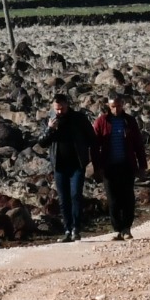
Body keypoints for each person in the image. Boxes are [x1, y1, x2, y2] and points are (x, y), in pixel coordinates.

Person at [91, 95, 147, 241]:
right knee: (113, 199)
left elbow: (138, 145)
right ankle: (117, 229)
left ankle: (126, 228)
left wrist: (142, 166)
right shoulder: (101, 122)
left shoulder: (129, 121)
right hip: (109, 167)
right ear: (108, 106)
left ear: (123, 105)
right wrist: (97, 167)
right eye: (113, 106)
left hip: (127, 165)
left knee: (128, 198)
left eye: (118, 106)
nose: (116, 109)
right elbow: (95, 146)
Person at [40, 93, 91, 241]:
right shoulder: (49, 120)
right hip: (59, 166)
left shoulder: (79, 119)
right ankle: (67, 230)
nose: (59, 112)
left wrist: (86, 154)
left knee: (75, 195)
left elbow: (91, 137)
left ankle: (76, 228)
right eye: (56, 109)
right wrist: (50, 129)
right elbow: (42, 143)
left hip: (77, 165)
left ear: (67, 105)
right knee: (63, 199)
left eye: (62, 108)